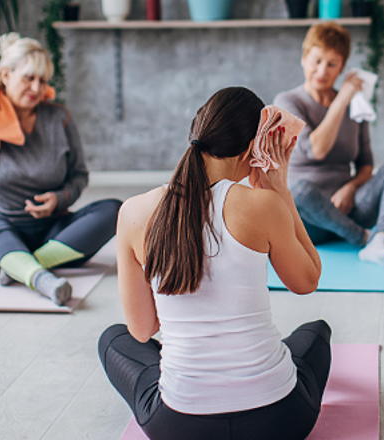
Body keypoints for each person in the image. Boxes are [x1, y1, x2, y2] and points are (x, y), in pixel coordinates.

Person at [98, 87, 331, 440]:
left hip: (178, 426)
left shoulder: (134, 212)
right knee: (316, 333)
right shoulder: (263, 205)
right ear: (257, 146)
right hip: (280, 421)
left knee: (114, 338)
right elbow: (308, 280)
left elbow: (143, 330)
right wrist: (280, 190)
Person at [0, 33, 120, 305]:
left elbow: (79, 174)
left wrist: (59, 198)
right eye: (28, 78)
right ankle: (40, 278)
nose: (37, 87)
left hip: (52, 234)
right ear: (5, 76)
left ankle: (23, 267)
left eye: (43, 80)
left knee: (114, 210)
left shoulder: (58, 117)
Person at [273, 22, 384, 267]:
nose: (322, 71)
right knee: (300, 190)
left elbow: (366, 165)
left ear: (342, 67)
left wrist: (350, 188)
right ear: (304, 59)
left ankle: (381, 239)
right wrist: (341, 101)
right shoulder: (288, 102)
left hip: (349, 208)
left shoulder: (355, 105)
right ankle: (366, 239)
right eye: (316, 61)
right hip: (308, 220)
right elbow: (316, 150)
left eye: (332, 64)